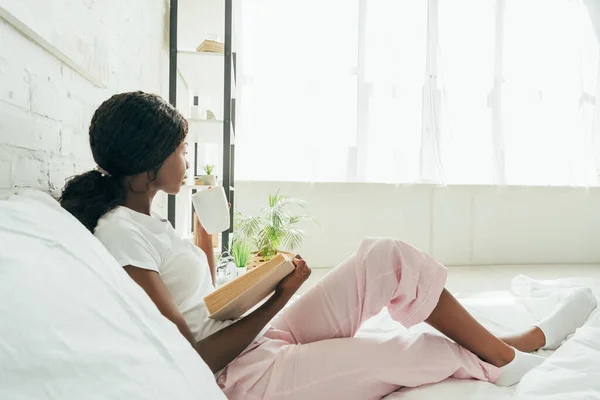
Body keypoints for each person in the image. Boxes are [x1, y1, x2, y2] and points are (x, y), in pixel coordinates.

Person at [59, 91, 597, 400]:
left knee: (385, 258)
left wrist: (220, 243)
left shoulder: (144, 218)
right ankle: (513, 352)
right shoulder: (118, 232)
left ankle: (509, 344)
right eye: (180, 149)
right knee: (418, 352)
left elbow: (198, 301)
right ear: (151, 160)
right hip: (240, 376)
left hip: (249, 340)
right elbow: (192, 355)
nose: (186, 158)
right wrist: (281, 296)